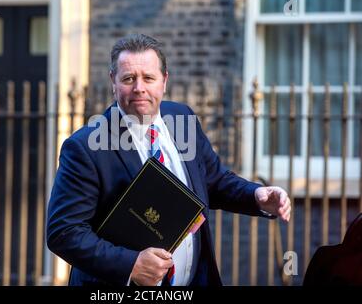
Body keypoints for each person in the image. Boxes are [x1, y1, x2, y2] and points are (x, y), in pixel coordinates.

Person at [46, 34, 291, 286]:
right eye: (129, 78)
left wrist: (256, 196)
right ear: (113, 81)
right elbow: (64, 232)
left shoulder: (182, 117)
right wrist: (130, 265)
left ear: (164, 80)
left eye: (148, 78)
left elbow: (214, 181)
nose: (139, 87)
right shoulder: (85, 147)